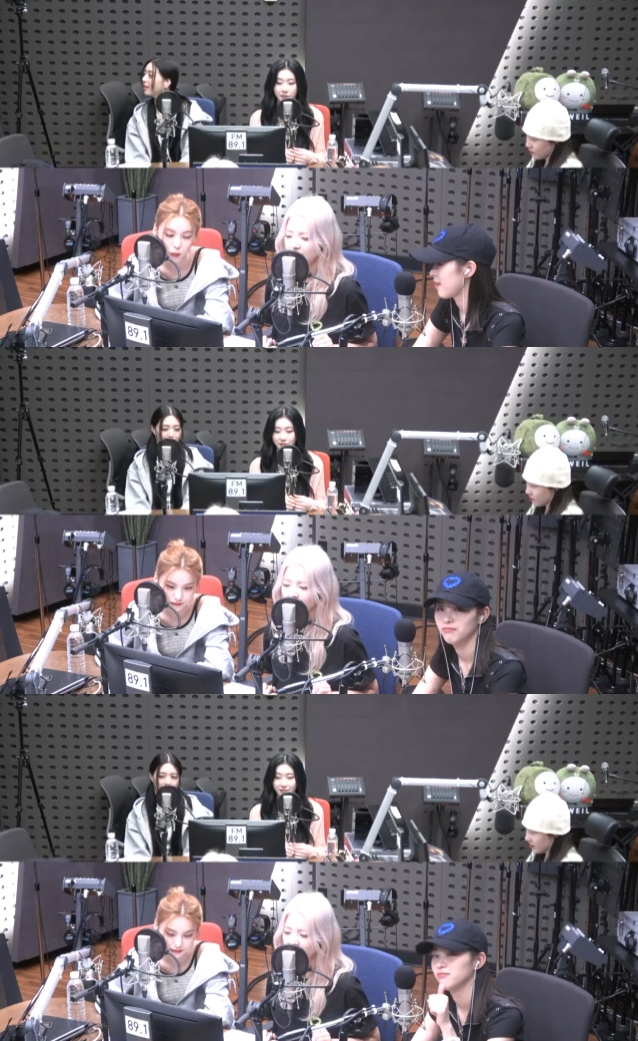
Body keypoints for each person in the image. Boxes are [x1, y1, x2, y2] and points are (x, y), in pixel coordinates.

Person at [109, 538, 238, 679]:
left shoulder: (210, 612)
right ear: (156, 578)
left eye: (188, 588)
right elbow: (108, 649)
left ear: (196, 585)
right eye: (170, 586)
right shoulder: (140, 609)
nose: (178, 596)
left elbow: (222, 668)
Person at [109, 885, 237, 1022]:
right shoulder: (141, 955)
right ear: (156, 926)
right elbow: (108, 995)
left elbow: (222, 1016)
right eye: (170, 934)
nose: (178, 943)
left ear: (196, 933)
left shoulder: (211, 959)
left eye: (187, 935)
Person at [110, 193, 237, 331]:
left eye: (186, 236)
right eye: (169, 235)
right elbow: (108, 300)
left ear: (194, 236)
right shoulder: (140, 261)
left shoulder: (210, 265)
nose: (177, 244)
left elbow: (222, 321)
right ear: (155, 230)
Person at [262, 544, 378, 693]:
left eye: (303, 587)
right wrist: (268, 689)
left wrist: (333, 694)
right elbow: (273, 677)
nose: (292, 593)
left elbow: (373, 692)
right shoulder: (274, 630)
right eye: (286, 585)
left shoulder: (344, 638)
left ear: (322, 591)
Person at [267, 892, 380, 1041]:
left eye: (303, 935)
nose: (292, 941)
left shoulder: (345, 986)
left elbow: (374, 1038)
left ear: (323, 938)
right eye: (287, 932)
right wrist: (267, 1035)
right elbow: (273, 1025)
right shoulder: (277, 978)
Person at [265, 196, 377, 346]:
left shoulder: (346, 290)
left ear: (324, 241)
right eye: (288, 235)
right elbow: (273, 329)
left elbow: (372, 344)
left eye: (304, 238)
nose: (293, 245)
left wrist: (335, 347)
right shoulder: (276, 281)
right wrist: (268, 342)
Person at [411, 224, 525, 349]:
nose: (432, 272)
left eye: (440, 263)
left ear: (469, 269)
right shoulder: (449, 303)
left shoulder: (505, 323)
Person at [413, 572, 526, 695]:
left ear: (483, 614)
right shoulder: (448, 649)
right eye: (440, 609)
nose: (446, 619)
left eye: (459, 609)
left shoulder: (506, 670)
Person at [414, 919, 524, 1041]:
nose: (440, 964)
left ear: (479, 960)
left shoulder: (503, 1014)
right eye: (436, 955)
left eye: (452, 954)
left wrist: (446, 1026)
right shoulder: (445, 1004)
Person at [125, 404, 215, 512]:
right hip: (150, 521)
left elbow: (196, 502)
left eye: (177, 429)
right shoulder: (138, 466)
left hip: (185, 520)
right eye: (165, 429)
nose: (171, 434)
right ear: (153, 429)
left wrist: (176, 519)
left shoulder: (195, 461)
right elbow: (136, 509)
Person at [123, 754, 215, 859]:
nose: (168, 782)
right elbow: (136, 858)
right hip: (150, 868)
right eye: (161, 776)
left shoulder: (194, 809)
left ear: (179, 779)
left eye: (174, 777)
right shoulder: (138, 814)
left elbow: (198, 855)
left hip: (185, 868)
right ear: (151, 776)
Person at [124, 59, 212, 165]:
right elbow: (135, 161)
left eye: (150, 75)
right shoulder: (139, 116)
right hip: (150, 174)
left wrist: (174, 173)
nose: (144, 79)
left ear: (167, 82)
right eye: (144, 74)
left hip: (185, 174)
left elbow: (193, 155)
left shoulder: (191, 112)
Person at [249, 405, 327, 512]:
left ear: (298, 433)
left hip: (305, 520)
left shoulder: (314, 462)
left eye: (289, 431)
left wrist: (311, 504)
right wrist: (275, 502)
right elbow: (253, 507)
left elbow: (323, 505)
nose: (283, 437)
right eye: (277, 431)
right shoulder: (258, 464)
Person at [249, 752, 327, 859]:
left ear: (299, 779)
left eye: (290, 777)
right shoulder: (258, 811)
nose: (283, 784)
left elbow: (323, 851)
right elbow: (253, 853)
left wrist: (311, 851)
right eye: (277, 777)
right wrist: (275, 849)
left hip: (305, 867)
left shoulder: (315, 810)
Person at [250, 59, 327, 166]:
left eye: (291, 83)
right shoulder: (259, 117)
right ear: (272, 85)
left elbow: (323, 159)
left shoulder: (315, 116)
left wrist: (311, 157)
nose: (284, 89)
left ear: (299, 85)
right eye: (279, 83)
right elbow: (253, 159)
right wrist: (276, 156)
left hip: (305, 174)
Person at [522, 98, 583, 168]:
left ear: (556, 139)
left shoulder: (570, 166)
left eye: (534, 139)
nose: (527, 144)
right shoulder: (538, 159)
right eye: (527, 136)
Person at [522, 792, 583, 862]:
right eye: (526, 830)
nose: (526, 838)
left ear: (555, 832)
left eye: (533, 832)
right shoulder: (539, 852)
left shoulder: (571, 860)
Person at [522, 446, 583, 515]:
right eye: (527, 483)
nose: (527, 491)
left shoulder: (571, 513)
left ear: (556, 486)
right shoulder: (538, 506)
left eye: (533, 485)